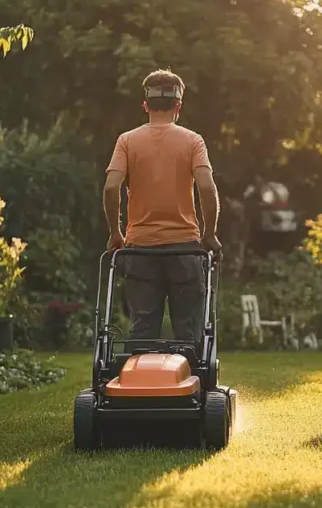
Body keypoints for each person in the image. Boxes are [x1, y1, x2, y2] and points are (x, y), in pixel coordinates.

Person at [103, 69, 222, 345]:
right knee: (190, 333)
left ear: (145, 105)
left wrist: (115, 232)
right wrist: (209, 234)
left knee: (142, 330)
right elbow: (206, 186)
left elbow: (111, 186)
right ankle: (190, 384)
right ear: (178, 105)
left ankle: (139, 385)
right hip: (185, 249)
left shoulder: (127, 141)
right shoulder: (193, 141)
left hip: (141, 249)